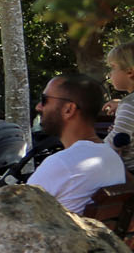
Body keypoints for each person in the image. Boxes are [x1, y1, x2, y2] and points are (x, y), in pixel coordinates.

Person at [27, 72, 127, 212]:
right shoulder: (112, 158)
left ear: (69, 109)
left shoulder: (62, 164)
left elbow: (16, 213)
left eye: (45, 100)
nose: (38, 107)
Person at [107, 43, 134, 169]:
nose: (110, 74)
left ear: (130, 71)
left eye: (113, 67)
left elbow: (113, 144)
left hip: (128, 173)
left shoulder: (129, 105)